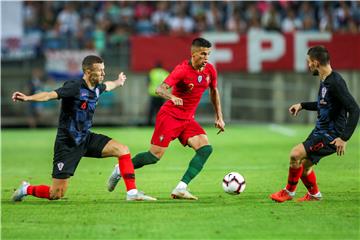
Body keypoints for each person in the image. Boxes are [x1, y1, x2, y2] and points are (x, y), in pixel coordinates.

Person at [11, 55, 156, 202]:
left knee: (123, 150)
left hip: (86, 138)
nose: (103, 73)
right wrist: (29, 98)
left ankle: (132, 193)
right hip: (67, 144)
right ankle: (26, 189)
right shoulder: (74, 87)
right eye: (100, 70)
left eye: (103, 70)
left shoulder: (98, 88)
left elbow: (109, 85)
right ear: (87, 72)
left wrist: (118, 82)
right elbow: (49, 95)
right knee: (56, 193)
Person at [107, 37, 225, 200]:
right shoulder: (182, 70)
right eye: (203, 54)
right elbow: (159, 89)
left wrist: (219, 116)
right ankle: (120, 169)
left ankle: (181, 188)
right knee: (153, 157)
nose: (206, 58)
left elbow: (214, 91)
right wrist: (172, 97)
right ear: (193, 54)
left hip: (187, 120)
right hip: (170, 116)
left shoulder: (210, 70)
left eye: (208, 54)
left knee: (205, 149)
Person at [270, 46, 359, 202]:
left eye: (309, 62)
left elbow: (354, 109)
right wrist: (302, 105)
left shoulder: (335, 82)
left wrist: (344, 138)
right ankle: (314, 195)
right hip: (320, 130)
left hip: (330, 135)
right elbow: (323, 104)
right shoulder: (325, 80)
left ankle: (288, 192)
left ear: (316, 63)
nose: (308, 65)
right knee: (304, 168)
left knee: (295, 154)